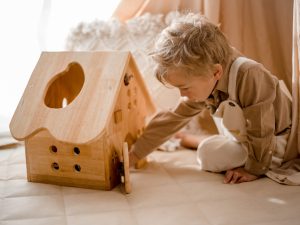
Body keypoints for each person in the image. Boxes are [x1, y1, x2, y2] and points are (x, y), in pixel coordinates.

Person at [129, 13, 297, 184]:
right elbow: (173, 117)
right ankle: (190, 139)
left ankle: (191, 140)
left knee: (208, 155)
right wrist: (135, 154)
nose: (182, 95)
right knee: (210, 151)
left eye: (185, 87)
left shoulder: (249, 74)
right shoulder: (205, 74)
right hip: (243, 138)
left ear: (216, 72)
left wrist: (253, 169)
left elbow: (261, 129)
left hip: (275, 141)